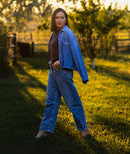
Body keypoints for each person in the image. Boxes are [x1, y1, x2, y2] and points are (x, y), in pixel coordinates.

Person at [35, 8, 91, 139]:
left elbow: (76, 54)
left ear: (66, 20)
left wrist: (83, 75)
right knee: (51, 101)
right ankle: (45, 129)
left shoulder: (68, 33)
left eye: (62, 17)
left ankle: (84, 130)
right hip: (52, 73)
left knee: (73, 101)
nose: (59, 20)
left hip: (63, 73)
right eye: (57, 17)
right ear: (53, 20)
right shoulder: (53, 34)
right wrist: (51, 62)